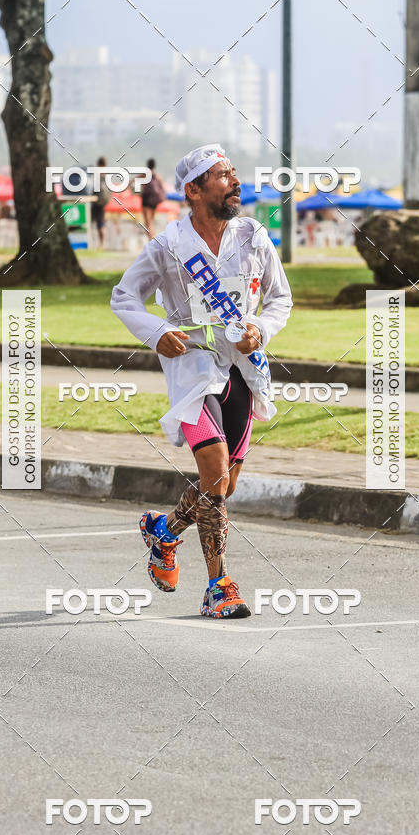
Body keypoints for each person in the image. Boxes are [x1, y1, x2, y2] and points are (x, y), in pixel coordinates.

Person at [110, 144, 292, 619]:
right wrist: (158, 332)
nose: (234, 181)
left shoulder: (254, 237)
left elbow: (279, 300)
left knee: (223, 486)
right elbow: (125, 296)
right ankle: (219, 586)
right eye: (221, 175)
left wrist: (261, 328)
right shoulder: (169, 246)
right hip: (193, 373)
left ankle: (165, 530)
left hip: (243, 371)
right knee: (213, 472)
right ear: (193, 190)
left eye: (233, 172)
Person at [140, 158, 166, 241]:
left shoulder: (144, 175)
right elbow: (162, 189)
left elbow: (133, 181)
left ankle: (150, 240)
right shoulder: (158, 176)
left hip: (146, 200)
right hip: (155, 201)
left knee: (148, 222)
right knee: (151, 221)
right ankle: (151, 239)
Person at [91, 156, 111, 248]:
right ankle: (101, 244)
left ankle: (95, 243)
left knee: (91, 222)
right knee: (101, 223)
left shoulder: (96, 172)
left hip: (96, 200)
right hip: (103, 202)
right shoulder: (107, 173)